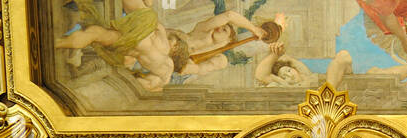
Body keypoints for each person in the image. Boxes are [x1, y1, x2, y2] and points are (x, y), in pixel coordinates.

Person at [56, 0, 267, 92]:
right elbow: (229, 15)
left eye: (228, 31)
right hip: (150, 34)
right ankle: (61, 40)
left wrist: (182, 63)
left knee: (105, 34)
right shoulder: (201, 30)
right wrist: (254, 29)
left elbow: (192, 69)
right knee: (104, 30)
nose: (224, 28)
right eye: (224, 27)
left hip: (151, 47)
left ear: (228, 42)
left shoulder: (210, 57)